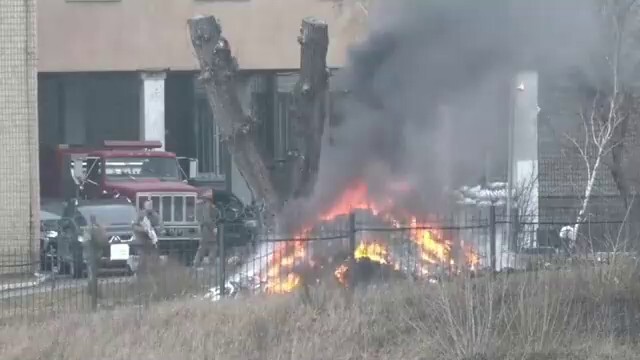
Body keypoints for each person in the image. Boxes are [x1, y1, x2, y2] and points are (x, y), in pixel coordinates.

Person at [132, 199, 162, 276]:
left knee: (155, 259)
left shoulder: (156, 216)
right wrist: (143, 229)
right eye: (148, 205)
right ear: (144, 206)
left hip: (152, 242)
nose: (149, 207)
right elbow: (134, 226)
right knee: (142, 260)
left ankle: (155, 275)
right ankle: (139, 276)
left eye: (150, 205)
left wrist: (154, 230)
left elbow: (161, 227)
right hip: (142, 241)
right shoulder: (140, 215)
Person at [193, 189, 219, 268]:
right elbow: (207, 219)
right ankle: (210, 264)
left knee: (202, 248)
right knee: (213, 247)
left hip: (203, 230)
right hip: (208, 230)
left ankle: (196, 264)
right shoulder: (208, 206)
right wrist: (213, 228)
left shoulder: (199, 205)